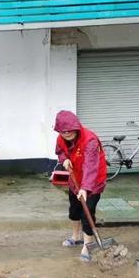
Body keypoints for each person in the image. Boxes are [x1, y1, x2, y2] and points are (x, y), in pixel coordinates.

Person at [54, 110, 107, 261]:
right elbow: (60, 151)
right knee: (74, 210)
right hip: (74, 178)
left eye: (70, 130)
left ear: (76, 126)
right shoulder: (61, 138)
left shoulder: (90, 140)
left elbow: (91, 167)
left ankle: (87, 245)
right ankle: (75, 237)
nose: (67, 133)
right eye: (63, 131)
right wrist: (64, 159)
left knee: (87, 212)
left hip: (93, 181)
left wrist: (85, 188)